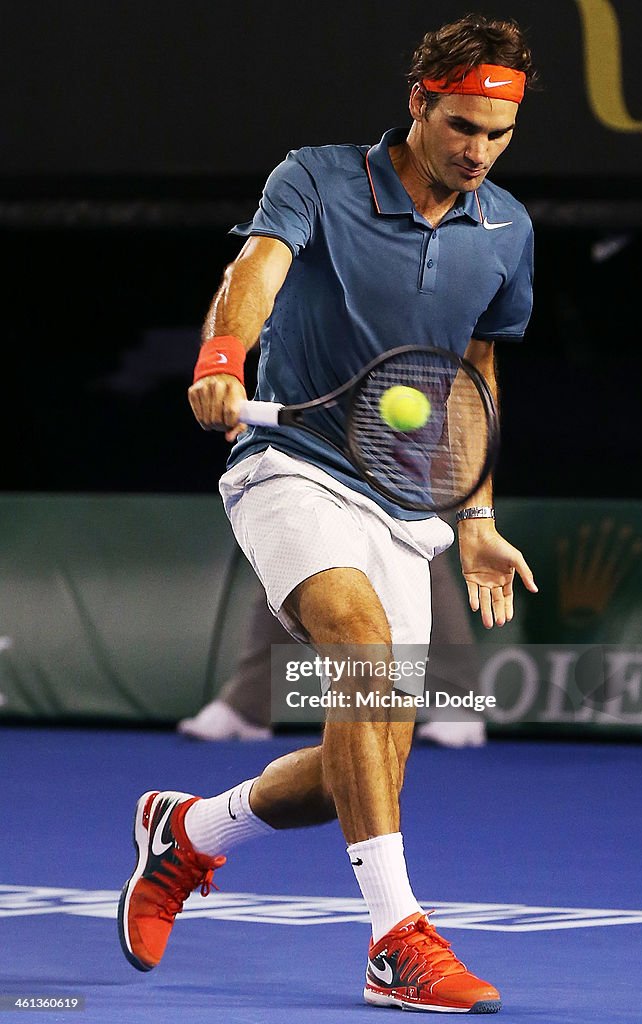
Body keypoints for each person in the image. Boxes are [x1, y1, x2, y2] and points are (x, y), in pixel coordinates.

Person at [118, 15, 538, 1014]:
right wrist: (222, 360)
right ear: (417, 102)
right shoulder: (313, 176)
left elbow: (473, 376)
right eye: (460, 126)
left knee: (368, 761)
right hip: (291, 463)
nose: (476, 150)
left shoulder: (506, 231)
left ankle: (189, 835)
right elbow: (252, 273)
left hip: (406, 499)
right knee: (354, 647)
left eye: (496, 133)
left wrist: (474, 515)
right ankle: (394, 939)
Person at [178, 552, 487, 747]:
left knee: (418, 548)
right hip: (324, 449)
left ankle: (460, 706)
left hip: (413, 453)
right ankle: (248, 706)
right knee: (291, 550)